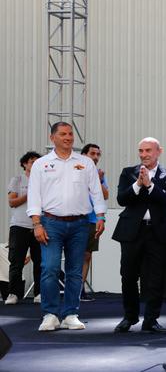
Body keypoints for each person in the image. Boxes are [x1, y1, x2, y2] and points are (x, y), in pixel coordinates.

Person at [27, 122, 106, 331]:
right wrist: (36, 223)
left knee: (75, 271)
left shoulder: (85, 163)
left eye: (70, 134)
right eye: (63, 134)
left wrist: (101, 216)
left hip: (80, 224)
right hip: (50, 223)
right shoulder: (41, 164)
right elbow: (34, 195)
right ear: (52, 137)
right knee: (50, 268)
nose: (68, 137)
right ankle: (50, 314)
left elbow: (96, 191)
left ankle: (71, 313)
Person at [112, 137, 166, 333]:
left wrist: (150, 185)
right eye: (141, 151)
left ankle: (151, 320)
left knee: (156, 277)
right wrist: (138, 185)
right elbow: (122, 199)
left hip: (158, 231)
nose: (144, 154)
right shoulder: (128, 172)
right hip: (132, 231)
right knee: (128, 275)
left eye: (148, 150)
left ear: (159, 151)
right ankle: (129, 317)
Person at [6, 151, 42, 305]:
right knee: (16, 261)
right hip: (19, 225)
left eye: (37, 162)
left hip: (39, 226)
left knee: (40, 261)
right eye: (32, 161)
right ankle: (13, 293)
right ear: (25, 164)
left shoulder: (44, 181)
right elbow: (12, 202)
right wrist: (29, 194)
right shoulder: (18, 179)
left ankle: (39, 293)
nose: (34, 164)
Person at [79, 143, 109, 302]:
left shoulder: (99, 174)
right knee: (73, 254)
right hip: (76, 218)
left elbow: (105, 195)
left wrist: (100, 179)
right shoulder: (76, 169)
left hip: (92, 219)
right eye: (92, 153)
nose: (96, 157)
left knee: (87, 255)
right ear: (84, 155)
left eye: (98, 154)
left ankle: (80, 289)